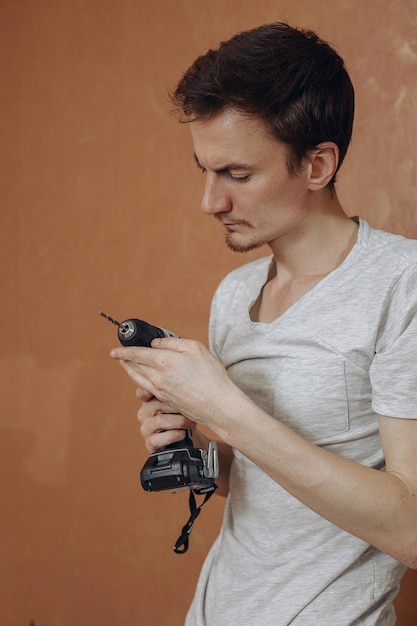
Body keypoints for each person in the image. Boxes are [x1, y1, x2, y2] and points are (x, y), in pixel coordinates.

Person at [110, 23, 417, 625]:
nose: (209, 202)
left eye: (236, 174)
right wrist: (195, 447)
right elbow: (254, 477)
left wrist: (225, 409)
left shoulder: (401, 284)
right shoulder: (236, 294)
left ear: (317, 164)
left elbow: (411, 527)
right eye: (204, 170)